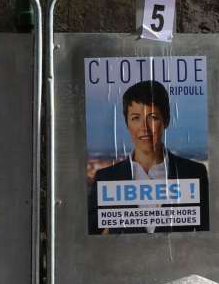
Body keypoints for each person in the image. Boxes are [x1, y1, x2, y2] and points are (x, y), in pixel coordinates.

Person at [88, 79, 210, 235]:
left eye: (152, 117)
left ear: (166, 121)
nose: (144, 128)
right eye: (135, 118)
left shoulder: (194, 173)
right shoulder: (106, 179)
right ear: (127, 124)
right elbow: (89, 243)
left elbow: (207, 239)